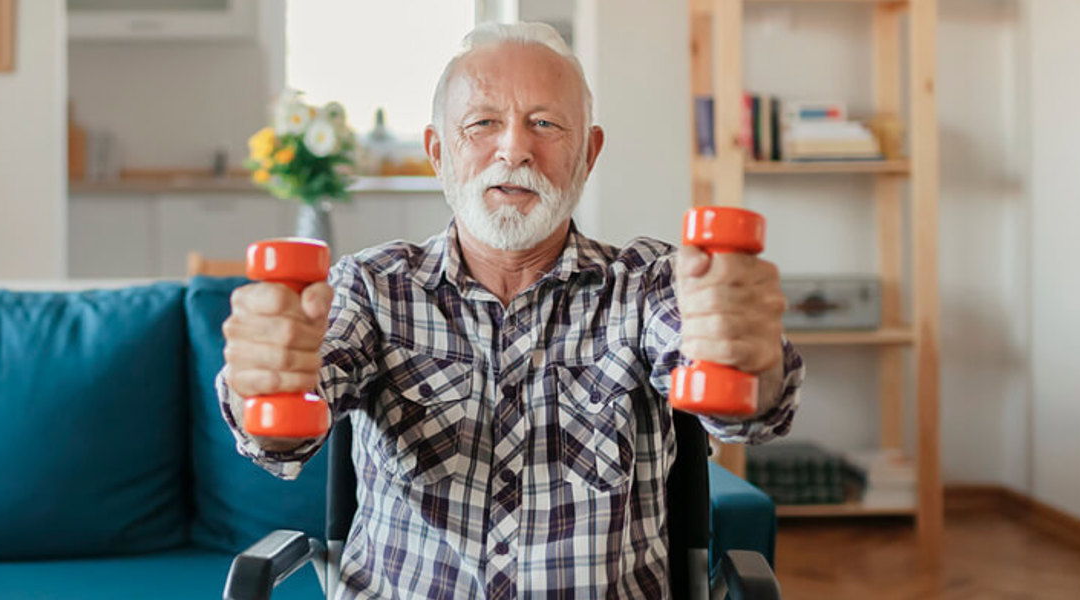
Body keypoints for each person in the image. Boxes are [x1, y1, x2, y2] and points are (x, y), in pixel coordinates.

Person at [216, 22, 803, 599]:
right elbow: (281, 434)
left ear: (588, 154)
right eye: (483, 123)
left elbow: (746, 411)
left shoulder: (648, 283)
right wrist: (260, 381)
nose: (515, 148)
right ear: (437, 153)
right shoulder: (371, 287)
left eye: (545, 123)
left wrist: (751, 361)